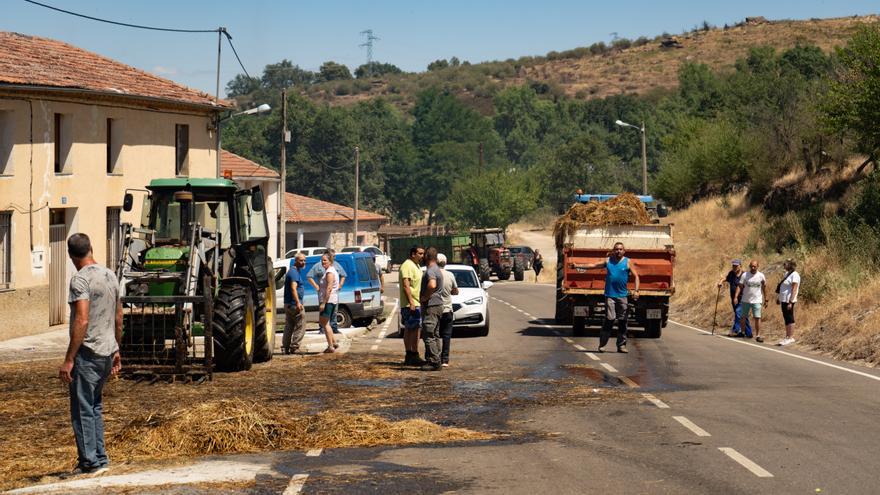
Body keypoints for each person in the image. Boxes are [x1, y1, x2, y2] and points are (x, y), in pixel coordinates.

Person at [60, 233, 122, 477]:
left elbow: (82, 318)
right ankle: (100, 457)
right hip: (107, 350)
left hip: (89, 351)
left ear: (70, 255)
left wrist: (69, 358)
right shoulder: (110, 275)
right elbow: (118, 317)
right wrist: (117, 349)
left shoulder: (80, 280)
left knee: (82, 407)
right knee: (95, 406)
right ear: (91, 248)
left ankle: (89, 463)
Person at [569, 242, 640, 353]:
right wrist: (577, 265)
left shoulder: (628, 262)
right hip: (610, 296)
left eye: (621, 249)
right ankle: (602, 344)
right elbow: (593, 266)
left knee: (622, 321)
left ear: (624, 251)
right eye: (616, 249)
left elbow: (636, 276)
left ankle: (621, 346)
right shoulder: (608, 261)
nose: (618, 251)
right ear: (613, 250)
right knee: (610, 319)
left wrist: (636, 291)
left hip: (623, 296)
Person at [307, 249, 346, 334]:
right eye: (333, 256)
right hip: (323, 293)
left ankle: (334, 327)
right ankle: (322, 328)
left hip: (333, 294)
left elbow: (343, 275)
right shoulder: (318, 265)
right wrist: (316, 286)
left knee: (334, 311)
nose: (334, 258)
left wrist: (340, 285)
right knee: (323, 311)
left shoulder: (335, 266)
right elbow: (309, 276)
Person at [419, 247, 445, 371]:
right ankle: (434, 359)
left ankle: (434, 362)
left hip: (432, 305)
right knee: (435, 334)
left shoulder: (430, 271)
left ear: (427, 257)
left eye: (424, 255)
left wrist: (425, 297)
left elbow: (432, 285)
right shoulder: (438, 269)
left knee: (428, 334)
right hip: (438, 305)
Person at [399, 245, 425, 366]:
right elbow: (406, 285)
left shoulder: (416, 266)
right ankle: (412, 353)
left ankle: (411, 355)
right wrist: (411, 302)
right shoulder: (407, 265)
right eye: (420, 253)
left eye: (423, 254)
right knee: (413, 329)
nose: (422, 256)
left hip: (416, 301)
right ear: (413, 254)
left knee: (412, 329)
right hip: (411, 303)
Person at [734, 260, 768, 343]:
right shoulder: (745, 275)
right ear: (749, 266)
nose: (753, 268)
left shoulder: (761, 276)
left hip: (757, 300)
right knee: (743, 316)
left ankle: (758, 336)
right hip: (746, 299)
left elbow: (764, 287)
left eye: (755, 266)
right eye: (751, 266)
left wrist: (766, 299)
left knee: (757, 317)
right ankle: (742, 332)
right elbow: (740, 286)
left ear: (757, 266)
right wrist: (735, 296)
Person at [717, 259, 752, 338]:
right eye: (733, 265)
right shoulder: (731, 273)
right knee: (742, 316)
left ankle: (735, 330)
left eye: (736, 266)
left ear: (740, 266)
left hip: (743, 298)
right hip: (733, 298)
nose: (734, 267)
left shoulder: (745, 275)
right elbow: (726, 278)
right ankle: (749, 333)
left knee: (738, 313)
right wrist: (721, 282)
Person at [437, 253, 459, 367]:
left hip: (435, 309)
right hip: (447, 309)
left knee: (434, 335)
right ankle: (445, 359)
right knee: (446, 335)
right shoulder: (450, 275)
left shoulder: (431, 274)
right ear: (445, 263)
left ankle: (434, 357)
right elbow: (455, 291)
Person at [281, 253, 306, 354]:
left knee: (289, 326)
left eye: (304, 260)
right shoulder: (294, 273)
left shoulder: (294, 271)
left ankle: (285, 347)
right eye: (301, 260)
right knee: (301, 325)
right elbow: (293, 288)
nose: (303, 262)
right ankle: (295, 347)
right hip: (294, 305)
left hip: (288, 304)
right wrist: (298, 302)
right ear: (296, 261)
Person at [317, 253, 339, 353]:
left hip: (328, 300)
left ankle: (330, 346)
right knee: (326, 322)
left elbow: (329, 288)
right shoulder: (330, 271)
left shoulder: (330, 272)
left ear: (330, 261)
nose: (323, 262)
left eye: (325, 260)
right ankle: (333, 342)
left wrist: (323, 303)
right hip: (332, 300)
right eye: (322, 260)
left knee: (324, 323)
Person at [776, 259, 800, 346]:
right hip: (783, 299)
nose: (784, 265)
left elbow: (794, 289)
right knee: (786, 317)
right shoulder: (787, 274)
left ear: (790, 265)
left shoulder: (795, 275)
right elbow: (783, 287)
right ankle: (787, 336)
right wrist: (779, 297)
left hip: (789, 300)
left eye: (785, 264)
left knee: (790, 317)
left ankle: (790, 337)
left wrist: (790, 301)